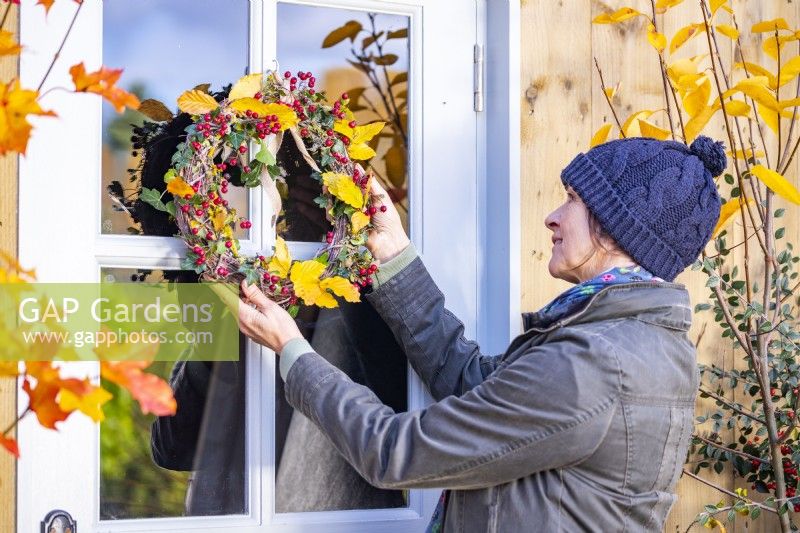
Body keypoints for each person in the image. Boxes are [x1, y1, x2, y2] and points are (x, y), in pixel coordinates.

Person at [235, 135, 725, 531]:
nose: (552, 216)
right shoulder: (632, 339)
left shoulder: (595, 361)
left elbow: (393, 451)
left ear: (617, 229)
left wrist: (292, 349)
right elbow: (476, 386)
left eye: (573, 200)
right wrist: (394, 254)